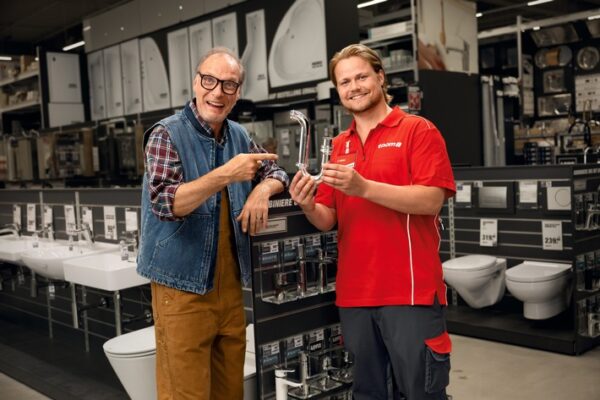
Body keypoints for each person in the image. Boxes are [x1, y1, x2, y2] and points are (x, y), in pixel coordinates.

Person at [290, 43, 456, 400]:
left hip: (409, 293)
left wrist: (363, 187)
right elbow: (327, 219)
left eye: (361, 76)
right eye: (344, 82)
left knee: (421, 393)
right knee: (368, 393)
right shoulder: (338, 146)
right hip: (355, 295)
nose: (354, 87)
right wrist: (307, 205)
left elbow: (431, 200)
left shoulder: (418, 131)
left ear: (380, 77)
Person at [137, 47, 288, 400]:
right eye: (209, 80)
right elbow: (165, 203)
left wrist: (262, 189)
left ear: (237, 94)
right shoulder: (166, 134)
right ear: (195, 82)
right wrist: (226, 174)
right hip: (181, 289)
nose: (217, 92)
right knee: (185, 394)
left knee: (230, 392)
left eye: (229, 85)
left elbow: (277, 171)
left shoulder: (238, 135)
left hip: (230, 290)